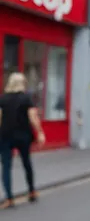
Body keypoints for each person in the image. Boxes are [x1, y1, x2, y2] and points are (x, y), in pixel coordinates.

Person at [0, 72, 45, 209]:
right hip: (23, 136)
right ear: (22, 84)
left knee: (6, 167)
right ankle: (31, 191)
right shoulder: (26, 98)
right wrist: (40, 132)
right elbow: (33, 117)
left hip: (5, 136)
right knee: (26, 163)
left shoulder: (3, 99)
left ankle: (9, 198)